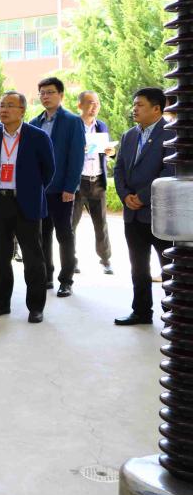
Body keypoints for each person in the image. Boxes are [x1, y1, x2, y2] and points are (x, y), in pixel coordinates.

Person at [0, 92, 54, 324]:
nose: (4, 110)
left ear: (22, 110)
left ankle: (36, 307)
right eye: (2, 105)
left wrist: (31, 190)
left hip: (27, 203)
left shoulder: (38, 136)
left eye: (10, 106)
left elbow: (49, 170)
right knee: (0, 257)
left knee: (33, 258)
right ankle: (0, 303)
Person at [114, 87, 175, 326]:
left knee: (168, 267)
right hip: (132, 214)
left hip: (159, 214)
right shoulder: (129, 135)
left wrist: (143, 196)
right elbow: (119, 169)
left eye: (140, 105)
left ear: (156, 108)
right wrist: (125, 196)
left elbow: (170, 171)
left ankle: (173, 314)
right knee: (138, 266)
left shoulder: (171, 134)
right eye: (134, 104)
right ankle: (141, 312)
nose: (134, 109)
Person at [30, 77, 85, 298]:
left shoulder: (72, 121)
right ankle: (47, 276)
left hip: (62, 190)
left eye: (50, 92)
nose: (46, 96)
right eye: (42, 93)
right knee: (42, 235)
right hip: (40, 191)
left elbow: (76, 157)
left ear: (61, 95)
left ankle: (66, 280)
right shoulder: (34, 122)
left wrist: (70, 187)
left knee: (64, 235)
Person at [71, 91, 113, 275]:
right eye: (90, 102)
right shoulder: (72, 126)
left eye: (97, 103)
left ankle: (105, 260)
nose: (95, 106)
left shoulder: (101, 126)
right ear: (79, 105)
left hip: (97, 181)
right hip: (77, 182)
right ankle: (71, 261)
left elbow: (106, 152)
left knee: (101, 224)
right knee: (71, 224)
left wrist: (110, 152)